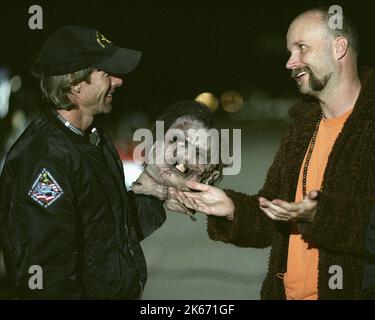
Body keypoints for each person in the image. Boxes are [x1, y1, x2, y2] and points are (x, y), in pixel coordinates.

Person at [170, 7, 375, 299]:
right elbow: (273, 219)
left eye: (301, 48)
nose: (291, 63)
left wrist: (322, 217)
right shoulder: (303, 126)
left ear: (338, 47)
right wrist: (231, 209)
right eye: (290, 51)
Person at [0, 26, 166, 299]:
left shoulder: (93, 140)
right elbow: (47, 277)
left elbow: (110, 229)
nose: (118, 81)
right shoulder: (43, 160)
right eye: (106, 73)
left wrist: (164, 190)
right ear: (75, 83)